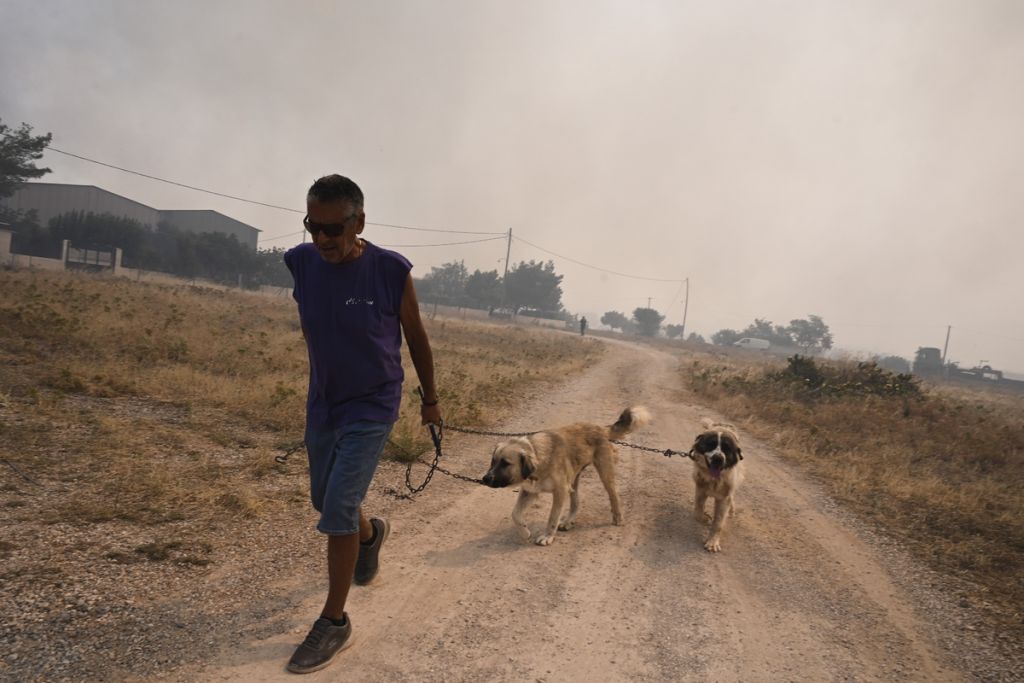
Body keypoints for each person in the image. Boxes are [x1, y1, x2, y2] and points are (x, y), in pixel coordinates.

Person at [282, 174, 441, 674]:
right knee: (324, 498)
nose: (324, 239)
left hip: (373, 403)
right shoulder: (301, 262)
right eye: (314, 226)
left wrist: (431, 400)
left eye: (335, 228)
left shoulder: (390, 270)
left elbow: (415, 336)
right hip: (324, 402)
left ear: (360, 222)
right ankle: (370, 536)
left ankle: (334, 622)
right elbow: (311, 322)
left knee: (338, 507)